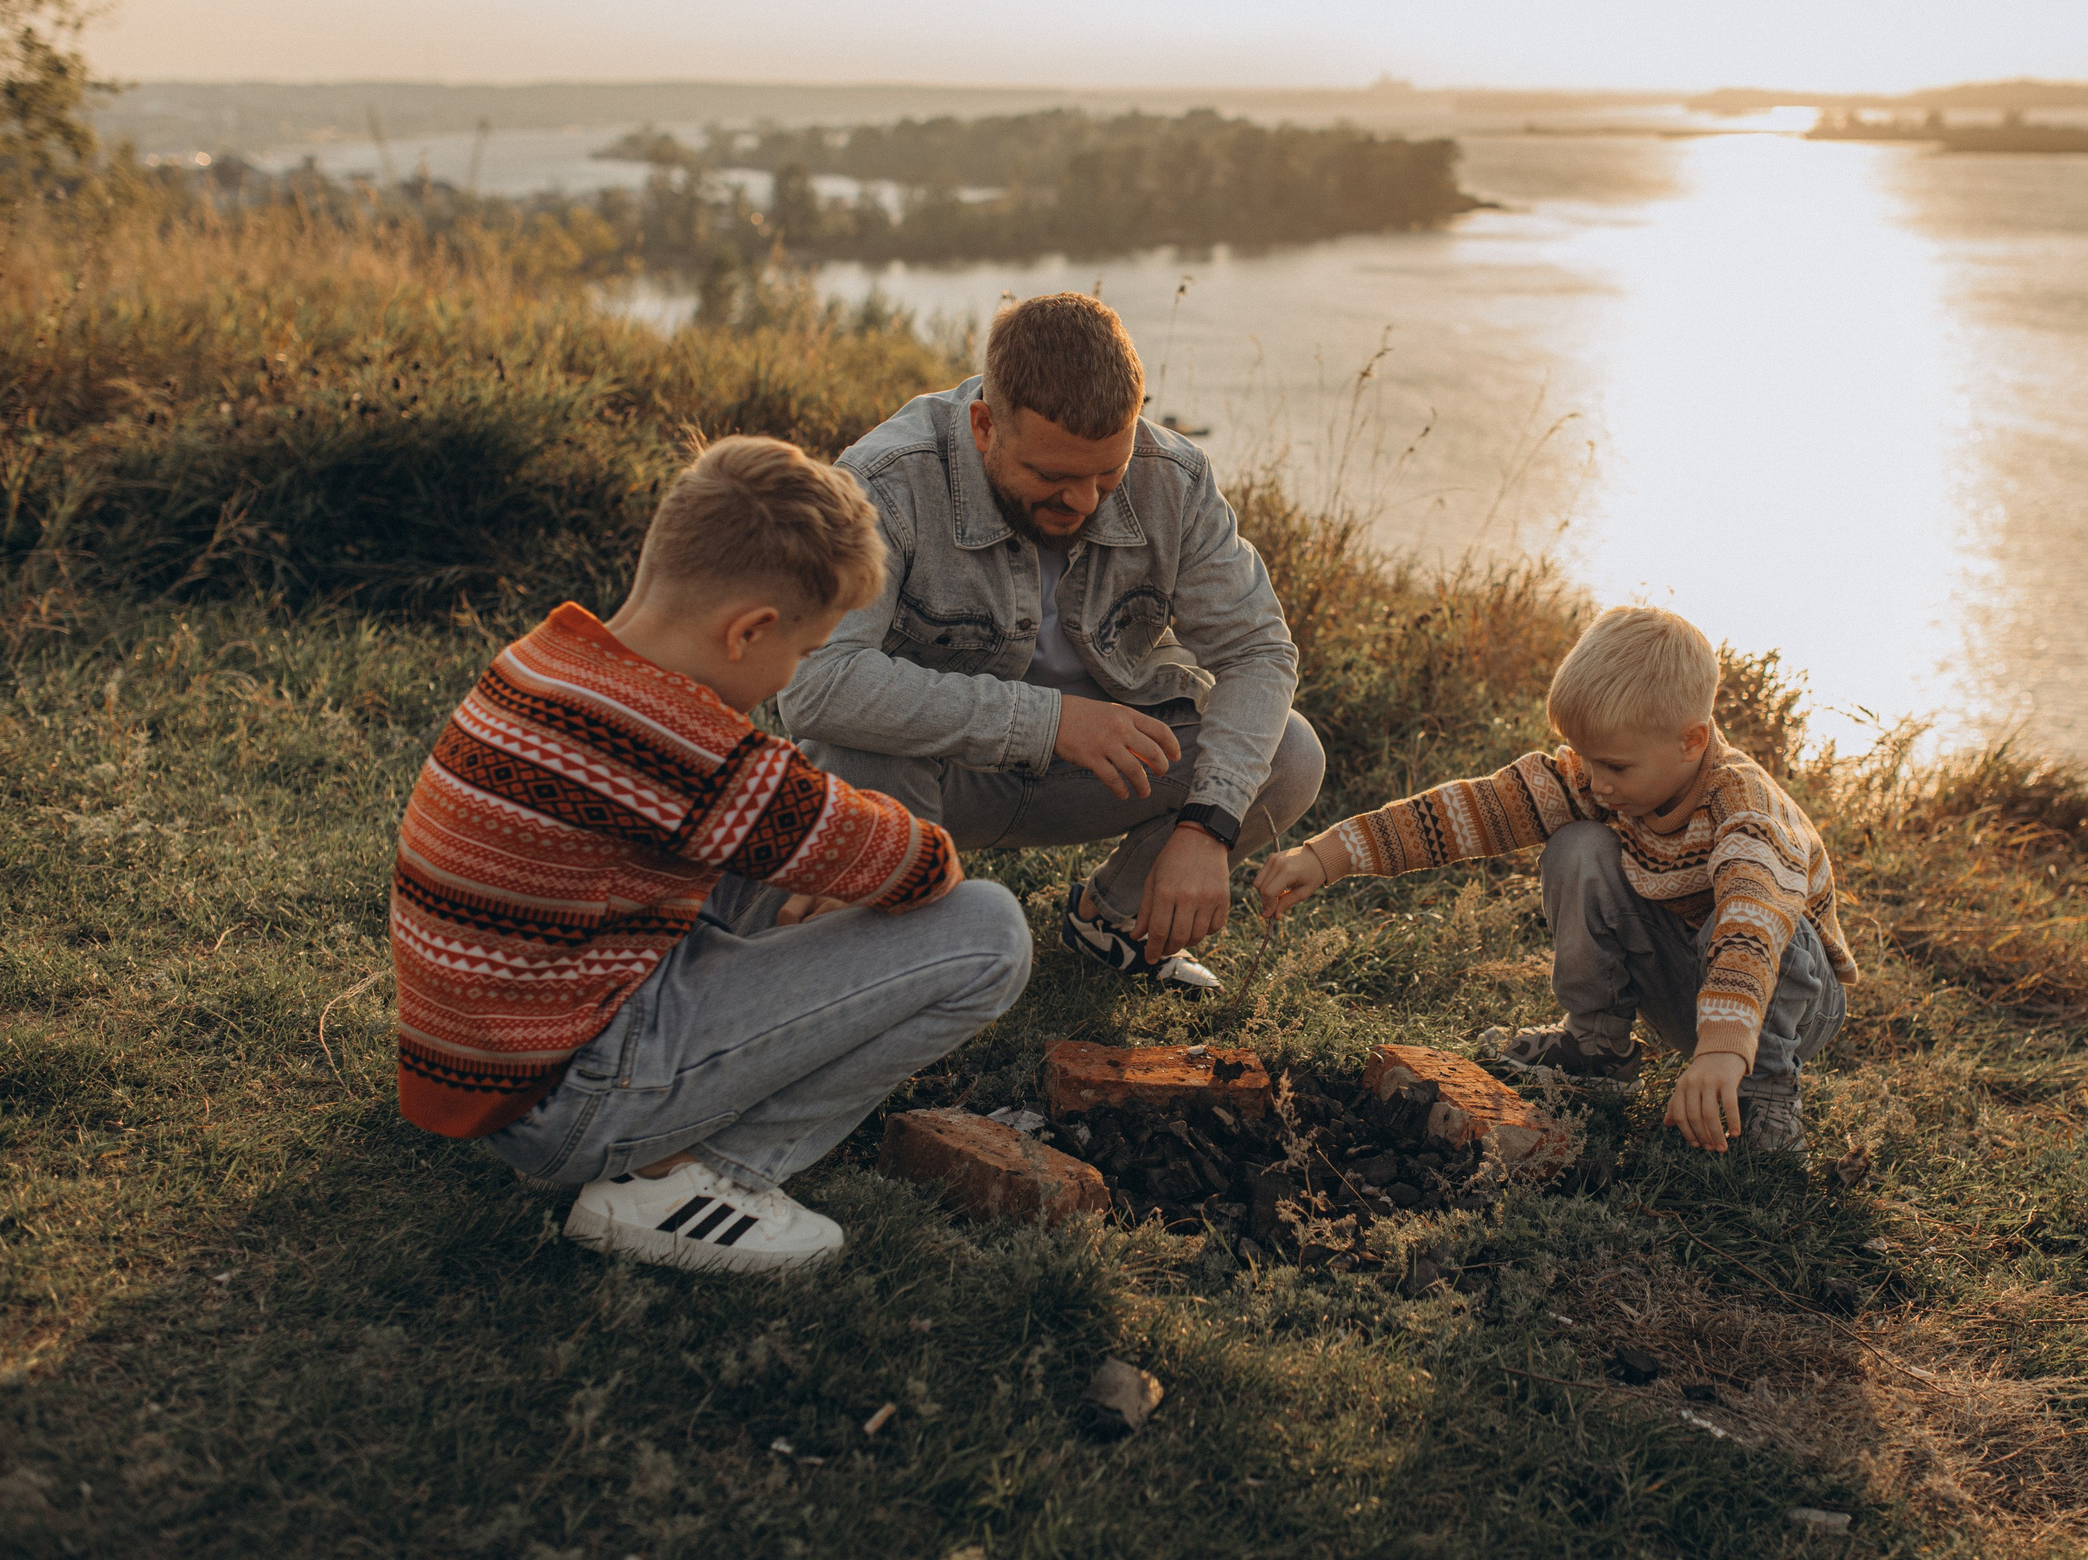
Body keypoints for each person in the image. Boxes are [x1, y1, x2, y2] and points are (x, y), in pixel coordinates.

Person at [390, 435, 1033, 1273]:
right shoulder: (680, 747)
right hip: (565, 1099)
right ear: (749, 631)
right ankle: (694, 1183)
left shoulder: (550, 659)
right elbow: (913, 860)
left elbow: (792, 821)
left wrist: (822, 868)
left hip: (491, 1059)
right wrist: (872, 868)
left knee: (790, 854)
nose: (786, 684)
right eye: (801, 655)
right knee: (989, 930)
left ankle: (669, 1145)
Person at [780, 292, 1323, 993]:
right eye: (1053, 477)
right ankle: (892, 944)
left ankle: (1113, 923)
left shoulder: (1175, 480)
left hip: (1094, 770)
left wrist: (1210, 826)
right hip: (927, 778)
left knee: (1289, 752)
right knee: (857, 739)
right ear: (984, 425)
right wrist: (1049, 722)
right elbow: (816, 686)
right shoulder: (886, 481)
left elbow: (1257, 651)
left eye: (1108, 473)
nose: (1085, 502)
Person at [1254, 606, 1856, 1155]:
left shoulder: (1745, 810)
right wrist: (1327, 855)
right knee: (1577, 847)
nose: (1596, 783)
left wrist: (1725, 1045)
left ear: (1692, 741)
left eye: (1615, 765)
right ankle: (1595, 1048)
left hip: (1792, 1002)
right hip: (1690, 985)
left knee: (1763, 913)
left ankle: (1767, 1095)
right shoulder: (1591, 783)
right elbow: (1468, 813)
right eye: (1584, 759)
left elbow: (1751, 926)